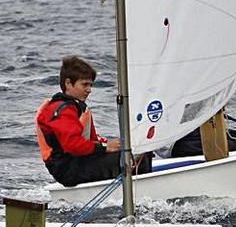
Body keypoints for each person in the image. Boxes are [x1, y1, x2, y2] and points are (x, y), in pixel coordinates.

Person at [35, 56, 150, 187]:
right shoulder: (62, 109)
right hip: (68, 170)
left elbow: (91, 140)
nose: (89, 90)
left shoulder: (76, 107)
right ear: (68, 83)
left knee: (139, 153)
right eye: (84, 84)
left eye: (90, 85)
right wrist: (106, 148)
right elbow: (72, 145)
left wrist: (115, 145)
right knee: (134, 159)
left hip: (79, 162)